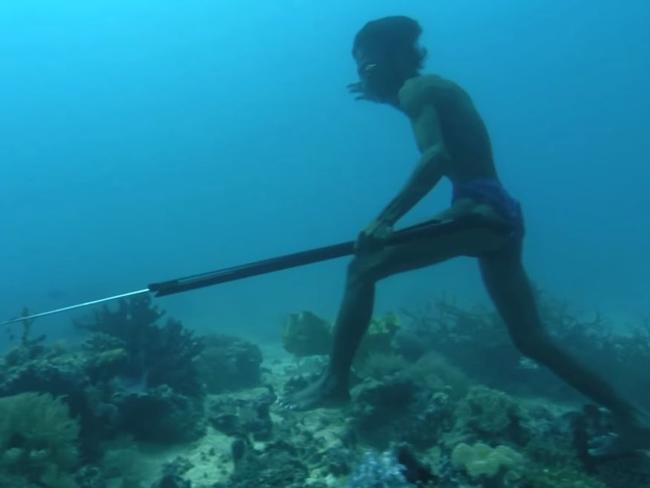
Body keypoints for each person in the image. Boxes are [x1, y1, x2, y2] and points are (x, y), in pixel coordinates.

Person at [285, 16, 649, 455]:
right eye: (359, 69)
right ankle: (633, 415)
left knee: (363, 268)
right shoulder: (425, 89)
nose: (363, 75)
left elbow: (436, 155)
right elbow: (438, 126)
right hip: (500, 214)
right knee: (531, 339)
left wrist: (385, 219)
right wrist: (382, 96)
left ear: (398, 57)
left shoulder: (416, 90)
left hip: (478, 213)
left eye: (368, 66)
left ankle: (335, 383)